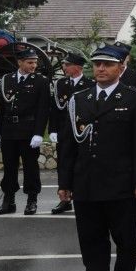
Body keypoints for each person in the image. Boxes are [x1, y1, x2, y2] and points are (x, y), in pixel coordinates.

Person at [57, 45, 136, 271]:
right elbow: (67, 145)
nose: (100, 69)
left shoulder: (135, 98)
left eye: (107, 65)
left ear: (120, 68)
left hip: (121, 183)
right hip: (86, 182)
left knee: (125, 239)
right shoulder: (80, 99)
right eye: (97, 64)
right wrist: (64, 183)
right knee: (91, 239)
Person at [0, 47, 50, 216]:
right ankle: (8, 201)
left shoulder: (41, 81)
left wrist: (39, 133)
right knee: (9, 167)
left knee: (31, 167)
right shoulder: (6, 79)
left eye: (35, 62)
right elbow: (1, 108)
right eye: (30, 62)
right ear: (20, 62)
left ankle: (32, 200)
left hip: (28, 131)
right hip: (9, 130)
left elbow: (43, 109)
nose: (34, 66)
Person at [48, 51, 96, 214]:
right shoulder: (60, 84)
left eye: (67, 65)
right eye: (64, 64)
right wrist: (52, 129)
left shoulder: (90, 84)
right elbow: (54, 109)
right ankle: (65, 199)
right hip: (64, 131)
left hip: (83, 132)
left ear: (78, 67)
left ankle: (83, 195)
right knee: (64, 163)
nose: (64, 67)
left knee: (83, 163)